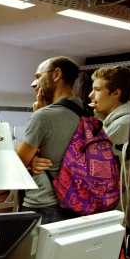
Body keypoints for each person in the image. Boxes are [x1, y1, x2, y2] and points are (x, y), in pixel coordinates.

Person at [15, 56, 85, 224]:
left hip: (44, 205)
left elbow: (17, 163)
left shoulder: (44, 116)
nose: (33, 84)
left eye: (38, 76)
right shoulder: (89, 114)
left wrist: (31, 161)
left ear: (56, 75)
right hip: (79, 205)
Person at [88, 66, 130, 158]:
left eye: (97, 90)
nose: (90, 95)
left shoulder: (123, 124)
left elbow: (96, 163)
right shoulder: (111, 121)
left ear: (116, 93)